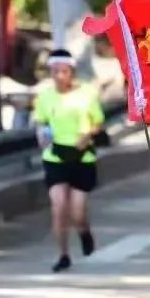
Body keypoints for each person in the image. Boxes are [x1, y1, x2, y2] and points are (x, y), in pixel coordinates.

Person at [35, 49, 105, 272]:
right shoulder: (44, 97)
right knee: (59, 206)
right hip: (55, 156)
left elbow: (98, 122)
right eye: (54, 72)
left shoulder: (86, 94)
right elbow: (41, 122)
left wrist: (88, 135)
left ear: (71, 72)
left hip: (82, 156)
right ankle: (63, 255)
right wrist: (41, 136)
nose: (59, 76)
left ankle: (84, 232)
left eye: (63, 71)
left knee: (77, 213)